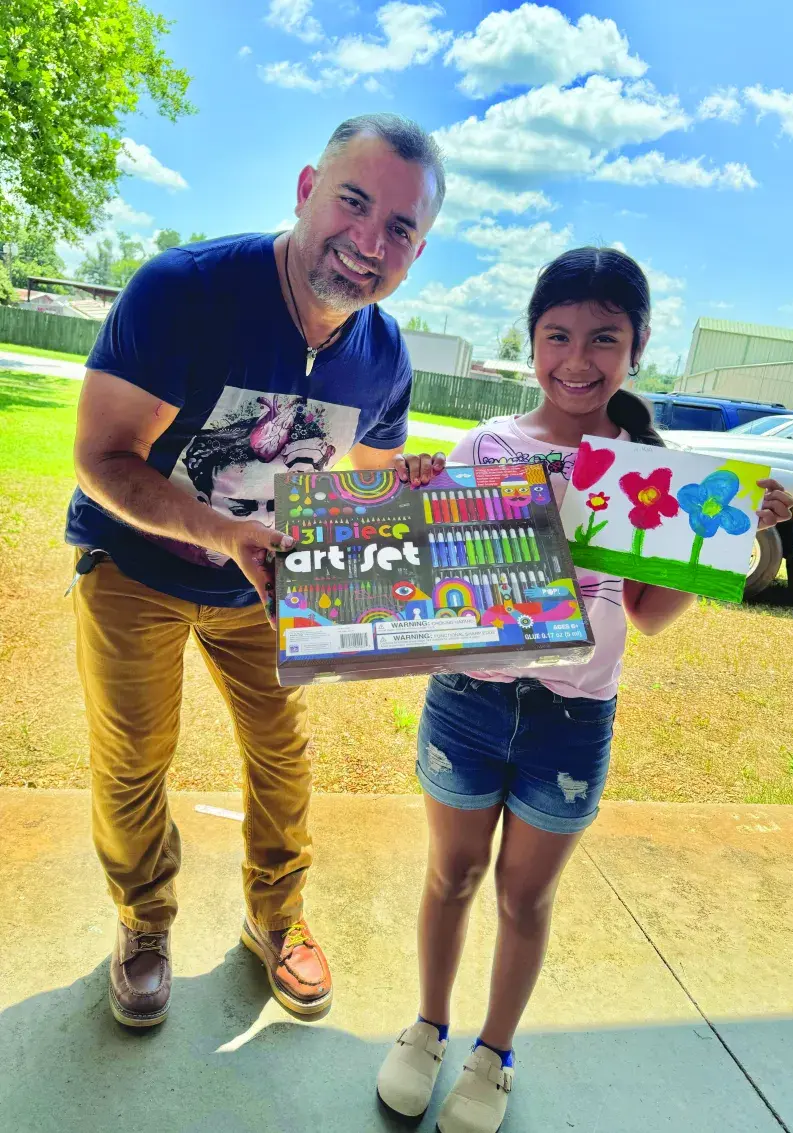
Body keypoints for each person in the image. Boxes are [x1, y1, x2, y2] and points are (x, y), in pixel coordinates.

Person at [377, 247, 793, 1133]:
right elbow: (427, 581)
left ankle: (493, 1053)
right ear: (532, 341)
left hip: (572, 722)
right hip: (467, 702)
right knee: (451, 874)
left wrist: (721, 541)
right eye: (557, 334)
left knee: (524, 898)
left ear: (637, 347)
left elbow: (648, 615)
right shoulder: (487, 446)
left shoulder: (651, 469)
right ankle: (428, 1026)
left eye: (604, 337)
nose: (577, 358)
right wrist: (411, 489)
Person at [67, 113, 446, 1027]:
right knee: (133, 759)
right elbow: (102, 458)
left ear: (418, 251)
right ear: (308, 189)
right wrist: (222, 530)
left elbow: (366, 483)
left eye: (399, 228)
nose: (369, 241)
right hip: (136, 565)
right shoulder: (185, 290)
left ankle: (274, 919)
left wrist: (420, 496)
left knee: (283, 755)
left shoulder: (385, 355)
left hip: (263, 587)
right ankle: (144, 920)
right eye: (354, 202)